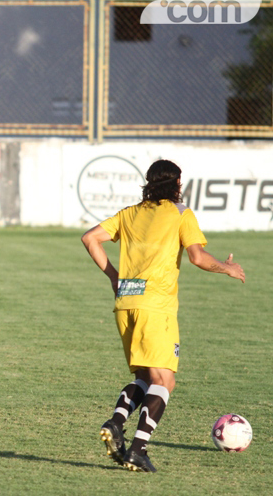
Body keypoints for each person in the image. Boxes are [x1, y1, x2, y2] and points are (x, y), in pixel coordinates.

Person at [81, 159, 245, 473]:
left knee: (144, 378)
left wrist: (116, 278)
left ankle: (117, 423)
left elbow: (90, 238)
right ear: (176, 185)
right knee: (165, 380)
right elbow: (197, 256)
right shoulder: (180, 213)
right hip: (155, 307)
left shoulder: (130, 213)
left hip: (126, 304)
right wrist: (227, 268)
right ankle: (138, 449)